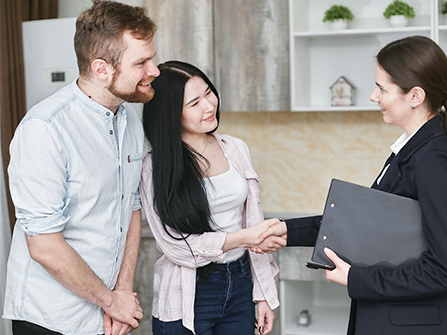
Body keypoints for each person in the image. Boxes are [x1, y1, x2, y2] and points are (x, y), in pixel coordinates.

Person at [255, 35, 447, 335]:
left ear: (415, 96)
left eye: (382, 88)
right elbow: (364, 225)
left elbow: (444, 271)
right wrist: (287, 230)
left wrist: (358, 278)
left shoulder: (434, 160)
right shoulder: (411, 151)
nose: (373, 96)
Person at [2, 1, 160, 335]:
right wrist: (111, 301)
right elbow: (44, 245)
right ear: (102, 69)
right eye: (142, 62)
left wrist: (121, 292)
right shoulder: (45, 128)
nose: (154, 70)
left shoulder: (130, 119)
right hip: (51, 318)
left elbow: (130, 206)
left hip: (105, 312)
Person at [140, 60, 283, 335]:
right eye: (194, 103)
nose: (209, 105)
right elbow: (175, 247)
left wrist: (264, 293)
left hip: (240, 283)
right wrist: (243, 237)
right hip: (188, 291)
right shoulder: (154, 168)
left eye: (208, 93)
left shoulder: (235, 148)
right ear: (170, 114)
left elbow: (253, 220)